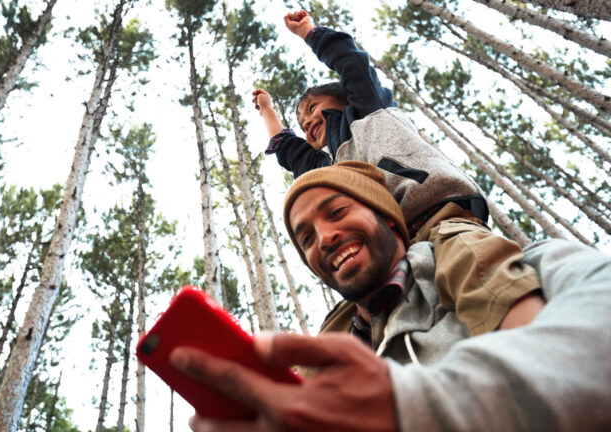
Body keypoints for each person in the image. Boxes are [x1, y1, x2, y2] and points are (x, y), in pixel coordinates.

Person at [170, 162, 611, 431]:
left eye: (338, 212)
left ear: (389, 218)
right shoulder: (325, 365)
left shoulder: (515, 265)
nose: (324, 237)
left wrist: (415, 408)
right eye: (305, 237)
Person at [254, 10, 541, 337]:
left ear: (343, 99)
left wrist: (309, 31)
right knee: (337, 331)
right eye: (302, 124)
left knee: (475, 265)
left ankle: (536, 341)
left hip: (436, 217)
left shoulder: (367, 108)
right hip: (383, 252)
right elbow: (290, 152)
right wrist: (267, 110)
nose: (307, 123)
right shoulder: (329, 171)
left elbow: (352, 63)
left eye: (312, 108)